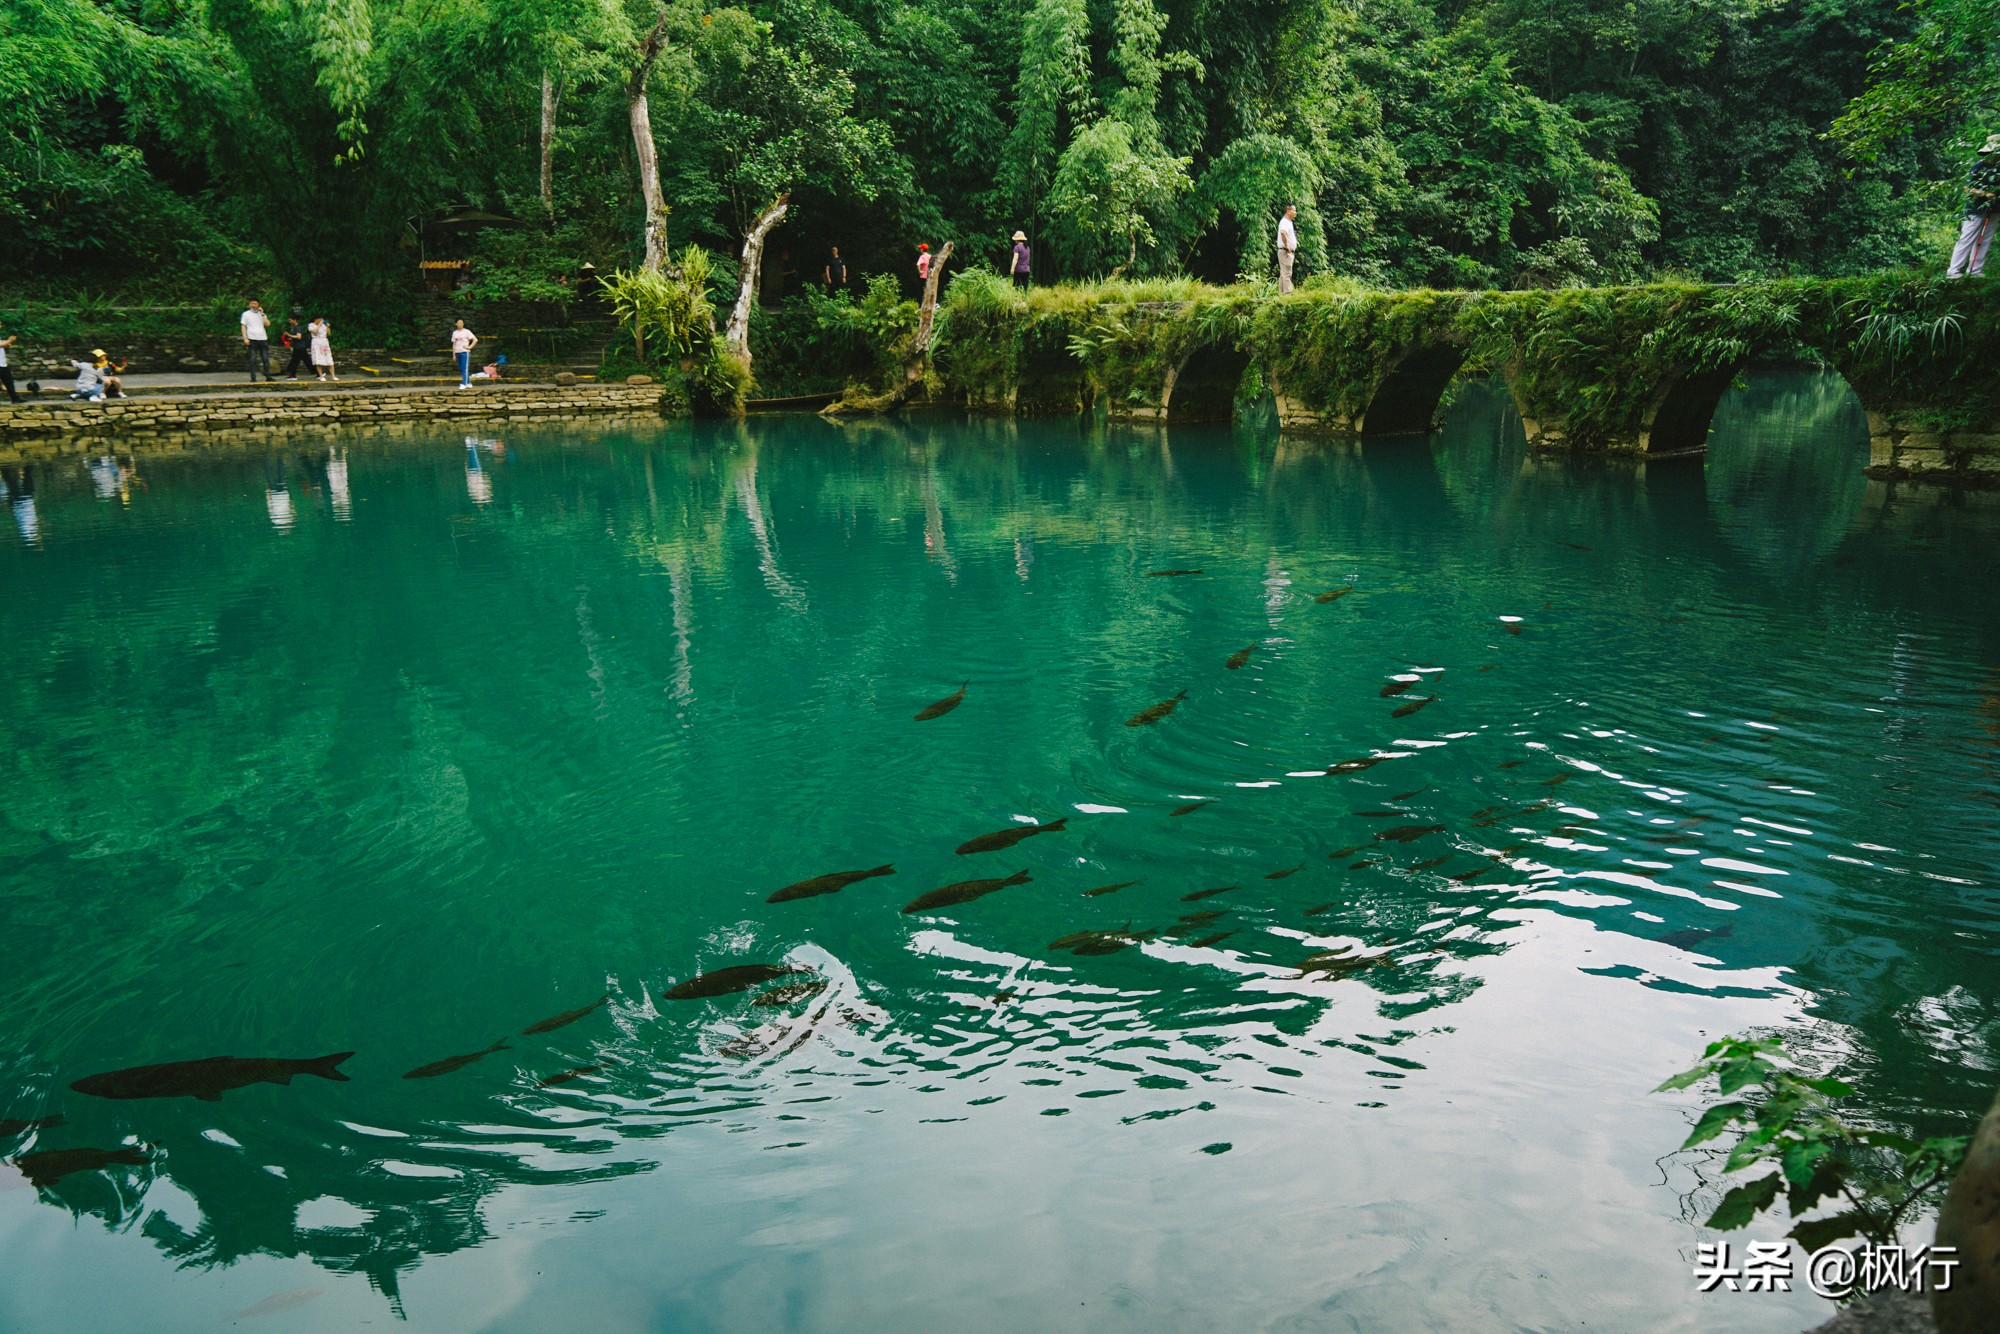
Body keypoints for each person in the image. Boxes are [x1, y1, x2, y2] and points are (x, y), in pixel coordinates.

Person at [1947, 134, 2000, 279]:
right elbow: (1967, 188)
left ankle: (1975, 270)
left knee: (1985, 239)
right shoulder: (1979, 167)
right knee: (1967, 239)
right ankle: (1953, 271)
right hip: (1975, 210)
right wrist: (1984, 194)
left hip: (1995, 210)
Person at [241, 299, 272, 381]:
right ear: (249, 304)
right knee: (253, 359)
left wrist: (262, 314)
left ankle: (268, 376)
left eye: (255, 303)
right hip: (252, 339)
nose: (253, 305)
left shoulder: (262, 314)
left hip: (263, 338)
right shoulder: (246, 314)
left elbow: (267, 324)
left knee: (265, 358)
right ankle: (253, 377)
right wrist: (245, 338)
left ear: (258, 305)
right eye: (252, 303)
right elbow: (243, 326)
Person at [280, 308, 309, 380]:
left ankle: (293, 375)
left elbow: (299, 337)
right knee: (304, 360)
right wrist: (288, 338)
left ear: (294, 320)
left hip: (300, 347)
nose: (289, 322)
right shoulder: (293, 328)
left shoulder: (297, 327)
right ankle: (318, 373)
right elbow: (294, 337)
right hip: (297, 347)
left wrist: (289, 335)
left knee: (296, 361)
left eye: (290, 320)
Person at [1277, 204, 1300, 294]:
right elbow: (1283, 233)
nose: (1295, 212)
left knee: (1284, 273)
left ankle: (1282, 293)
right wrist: (1287, 246)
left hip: (1285, 251)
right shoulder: (1285, 221)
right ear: (1288, 211)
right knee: (1287, 273)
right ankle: (1287, 293)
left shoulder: (1288, 222)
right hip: (1285, 251)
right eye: (1294, 210)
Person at [450, 319, 479, 388]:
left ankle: (464, 383)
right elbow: (454, 344)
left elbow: (475, 340)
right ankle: (468, 382)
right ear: (456, 324)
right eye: (459, 323)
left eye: (461, 323)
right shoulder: (455, 333)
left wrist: (469, 347)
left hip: (465, 352)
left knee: (464, 368)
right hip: (458, 351)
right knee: (462, 368)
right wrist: (454, 354)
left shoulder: (467, 331)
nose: (460, 324)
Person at [309, 315, 336, 381]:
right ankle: (321, 376)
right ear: (316, 319)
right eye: (320, 319)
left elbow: (328, 334)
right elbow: (315, 332)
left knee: (329, 359)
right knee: (318, 359)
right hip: (316, 342)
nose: (321, 320)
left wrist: (327, 327)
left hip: (324, 342)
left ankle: (333, 376)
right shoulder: (311, 325)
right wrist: (320, 324)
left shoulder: (323, 326)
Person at [0, 323, 19, 404]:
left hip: (1, 362)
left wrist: (7, 343)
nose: (0, 326)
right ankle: (14, 398)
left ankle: (14, 398)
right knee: (8, 380)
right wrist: (10, 340)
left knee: (8, 380)